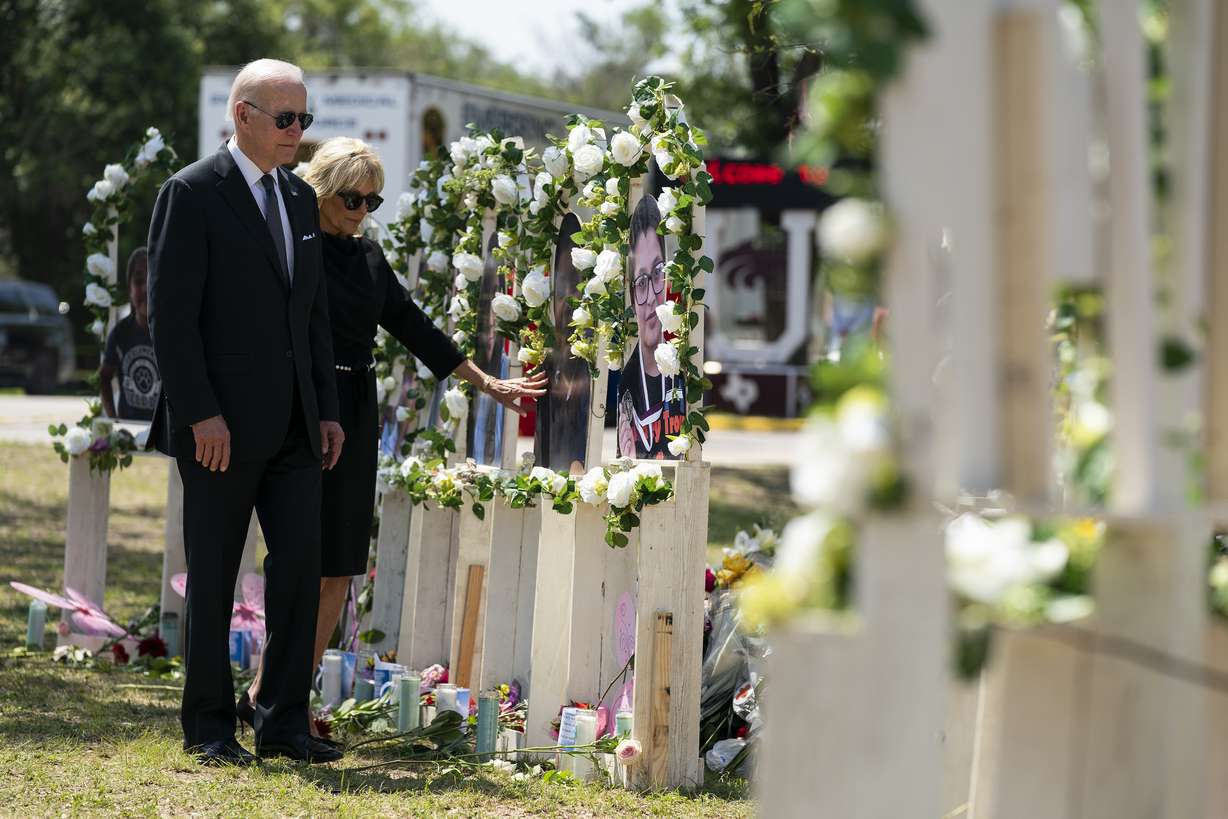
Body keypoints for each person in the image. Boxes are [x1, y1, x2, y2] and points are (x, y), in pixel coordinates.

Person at [238, 136, 546, 736]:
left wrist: (488, 383)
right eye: (352, 199)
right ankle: (275, 696)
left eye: (372, 202)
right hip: (299, 409)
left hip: (353, 410)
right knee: (298, 558)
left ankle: (280, 699)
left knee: (340, 564)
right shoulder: (291, 249)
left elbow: (414, 327)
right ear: (323, 190)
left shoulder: (370, 260)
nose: (360, 212)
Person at [147, 59, 345, 766]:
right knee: (214, 575)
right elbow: (171, 319)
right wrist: (200, 412)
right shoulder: (192, 193)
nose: (298, 132)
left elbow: (311, 314)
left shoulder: (298, 198)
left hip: (296, 426)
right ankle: (208, 726)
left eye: (304, 120)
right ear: (244, 116)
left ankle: (284, 722)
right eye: (286, 119)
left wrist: (325, 408)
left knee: (298, 570)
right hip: (219, 433)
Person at [617, 195, 686, 460]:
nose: (650, 299)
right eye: (641, 282)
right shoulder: (627, 380)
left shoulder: (682, 369)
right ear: (632, 294)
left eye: (657, 273)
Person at [100, 247, 159, 421]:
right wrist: (115, 420)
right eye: (139, 280)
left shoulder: (174, 335)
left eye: (153, 279)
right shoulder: (120, 333)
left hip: (164, 441)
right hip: (130, 435)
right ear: (129, 288)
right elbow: (104, 377)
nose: (146, 288)